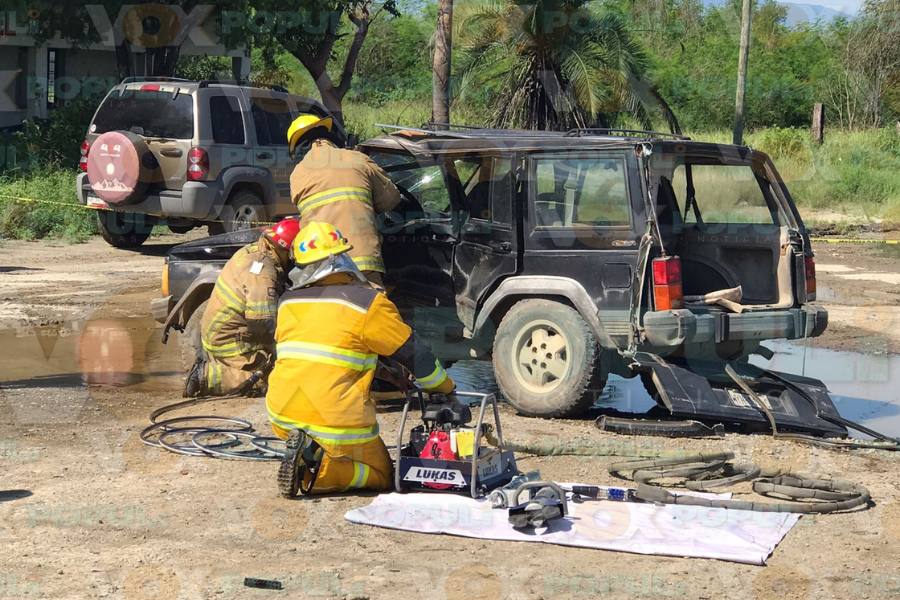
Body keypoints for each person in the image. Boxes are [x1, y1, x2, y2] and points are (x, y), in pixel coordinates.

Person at [266, 221, 455, 497]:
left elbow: (332, 353)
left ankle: (308, 449)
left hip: (282, 415)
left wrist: (387, 374)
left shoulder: (287, 302)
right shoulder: (368, 304)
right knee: (382, 474)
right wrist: (446, 389)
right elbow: (417, 356)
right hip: (335, 423)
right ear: (342, 258)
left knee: (334, 441)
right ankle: (318, 471)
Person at [183, 217, 301, 398]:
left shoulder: (256, 251)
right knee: (276, 378)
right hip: (230, 341)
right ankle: (205, 377)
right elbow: (262, 322)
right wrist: (283, 348)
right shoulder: (262, 272)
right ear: (287, 250)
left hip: (223, 332)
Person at [286, 114, 401, 286]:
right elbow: (391, 200)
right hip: (363, 263)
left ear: (299, 147)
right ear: (329, 135)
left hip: (319, 266)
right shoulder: (357, 159)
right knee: (372, 310)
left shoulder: (297, 174)